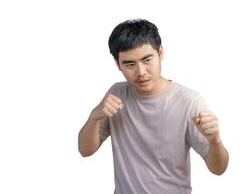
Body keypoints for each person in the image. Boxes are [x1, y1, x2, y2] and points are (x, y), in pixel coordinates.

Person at [78, 19, 229, 194]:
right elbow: (85, 150)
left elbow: (219, 169)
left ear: (161, 53)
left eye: (147, 59)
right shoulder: (116, 94)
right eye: (130, 64)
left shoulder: (188, 101)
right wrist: (94, 116)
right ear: (117, 64)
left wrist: (215, 141)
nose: (141, 72)